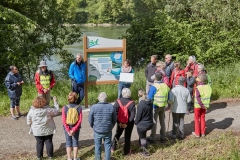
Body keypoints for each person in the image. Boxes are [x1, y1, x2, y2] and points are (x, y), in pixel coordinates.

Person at [88, 92, 117, 160]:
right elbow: (114, 119)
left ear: (98, 98)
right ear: (106, 99)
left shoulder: (94, 107)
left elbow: (90, 119)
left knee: (97, 146)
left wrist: (93, 126)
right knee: (107, 146)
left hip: (97, 130)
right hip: (107, 130)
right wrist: (111, 126)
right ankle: (107, 158)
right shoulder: (111, 107)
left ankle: (98, 158)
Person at [111, 88, 136, 155]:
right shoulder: (132, 103)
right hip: (129, 123)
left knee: (117, 134)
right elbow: (133, 115)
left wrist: (119, 122)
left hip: (120, 122)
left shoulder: (118, 102)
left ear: (122, 93)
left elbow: (114, 113)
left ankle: (113, 147)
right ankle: (126, 151)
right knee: (127, 136)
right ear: (129, 94)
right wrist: (127, 123)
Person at [147, 72, 170, 143]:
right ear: (162, 78)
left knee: (154, 122)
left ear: (156, 78)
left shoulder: (154, 86)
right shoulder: (166, 86)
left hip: (155, 106)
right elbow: (169, 97)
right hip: (163, 106)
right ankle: (163, 137)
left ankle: (152, 137)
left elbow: (149, 98)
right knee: (162, 122)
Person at [62, 92, 82, 160]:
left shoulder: (65, 107)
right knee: (75, 142)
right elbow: (80, 120)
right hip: (76, 127)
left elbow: (64, 120)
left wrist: (68, 130)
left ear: (68, 99)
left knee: (68, 142)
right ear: (76, 99)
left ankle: (69, 158)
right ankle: (75, 158)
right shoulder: (79, 107)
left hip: (67, 127)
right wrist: (74, 129)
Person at [135, 90, 153, 157]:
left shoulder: (141, 105)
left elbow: (138, 116)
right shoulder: (150, 103)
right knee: (142, 134)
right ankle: (141, 146)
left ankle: (145, 152)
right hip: (150, 123)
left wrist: (136, 122)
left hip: (143, 125)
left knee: (143, 138)